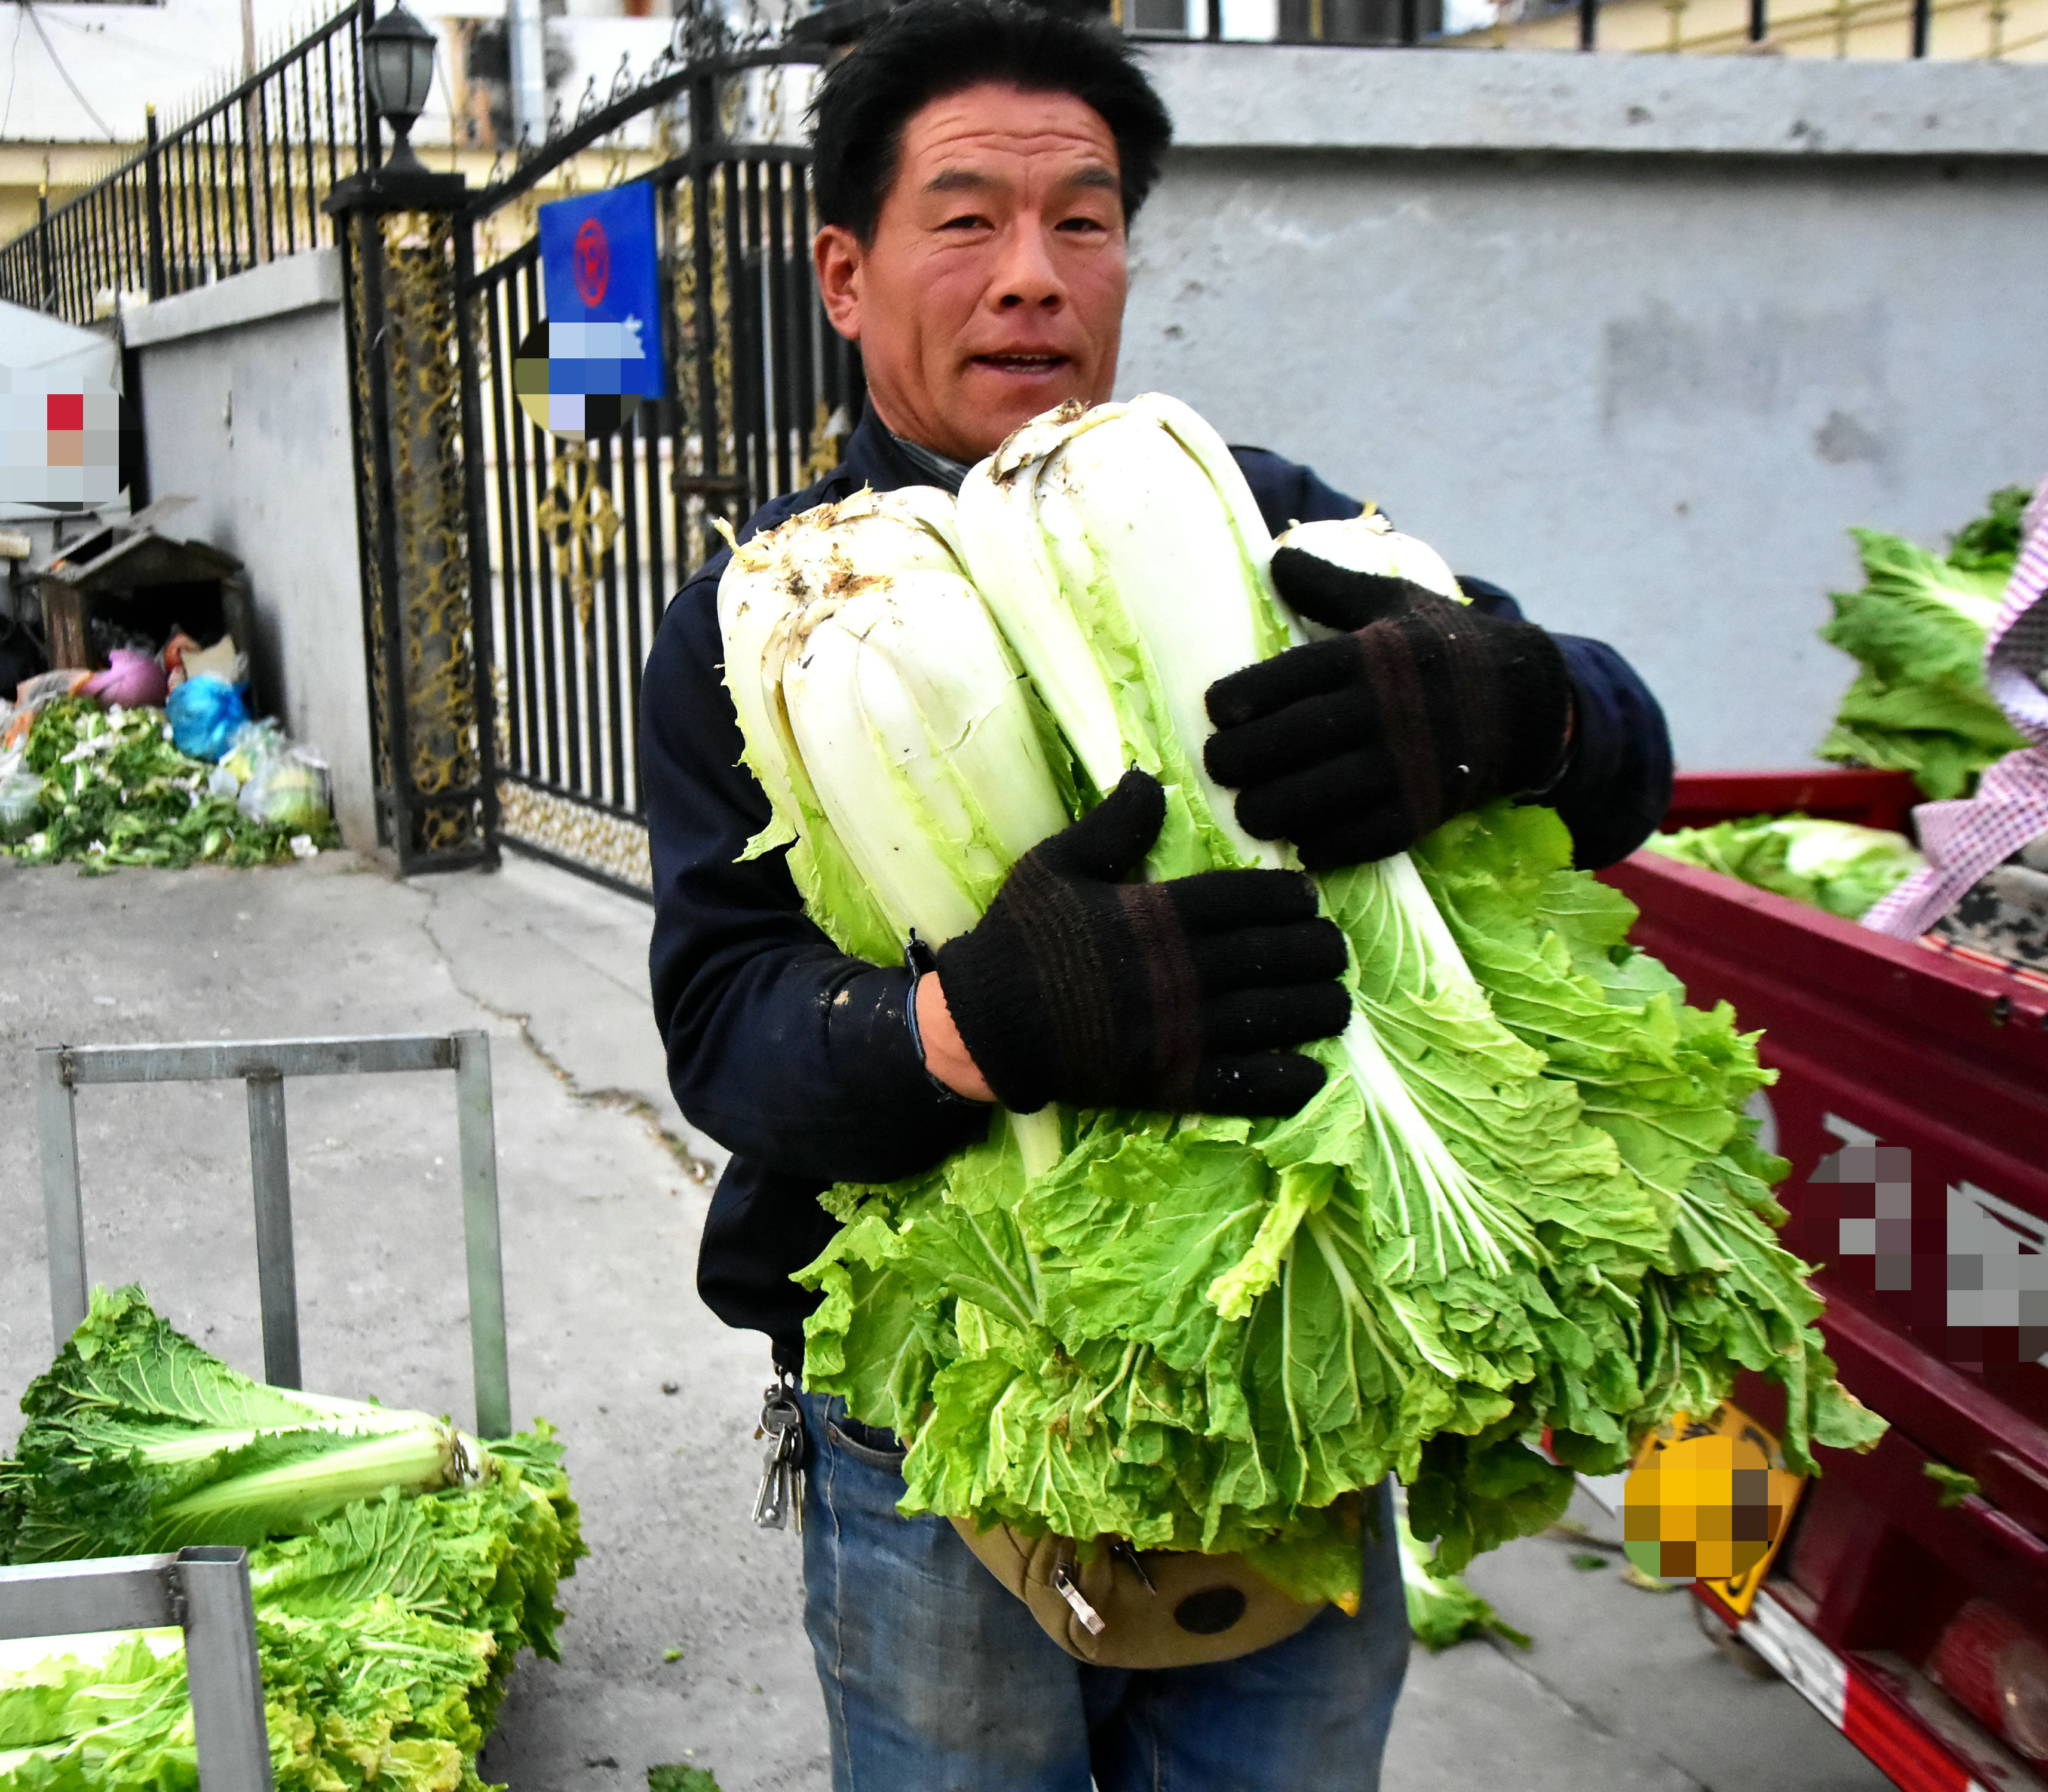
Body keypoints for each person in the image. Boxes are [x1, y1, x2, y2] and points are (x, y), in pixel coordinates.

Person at [637, 3, 1672, 1785]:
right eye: (966, 221)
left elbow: (1624, 771)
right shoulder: (773, 630)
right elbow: (730, 1037)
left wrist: (1521, 705)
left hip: (1302, 1365)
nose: (1033, 278)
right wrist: (983, 1021)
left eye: (1085, 221)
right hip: (943, 1439)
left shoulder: (1251, 528)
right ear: (844, 274)